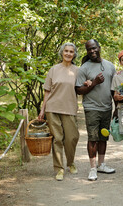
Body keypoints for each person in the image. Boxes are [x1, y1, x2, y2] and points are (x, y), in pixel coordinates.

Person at [75, 39, 116, 181]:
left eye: (94, 48)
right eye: (89, 49)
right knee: (93, 138)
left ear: (99, 47)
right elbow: (79, 90)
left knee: (103, 137)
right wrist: (94, 83)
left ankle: (101, 165)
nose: (92, 51)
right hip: (91, 108)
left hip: (107, 107)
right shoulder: (84, 68)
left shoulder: (110, 66)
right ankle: (92, 169)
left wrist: (116, 107)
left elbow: (113, 89)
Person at [38, 42, 80, 181]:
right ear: (62, 52)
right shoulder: (54, 69)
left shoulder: (77, 70)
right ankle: (59, 168)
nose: (68, 53)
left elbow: (82, 87)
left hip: (69, 108)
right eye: (66, 51)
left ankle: (71, 162)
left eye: (71, 52)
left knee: (72, 138)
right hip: (52, 108)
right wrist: (43, 109)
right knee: (57, 139)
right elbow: (47, 91)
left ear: (74, 54)